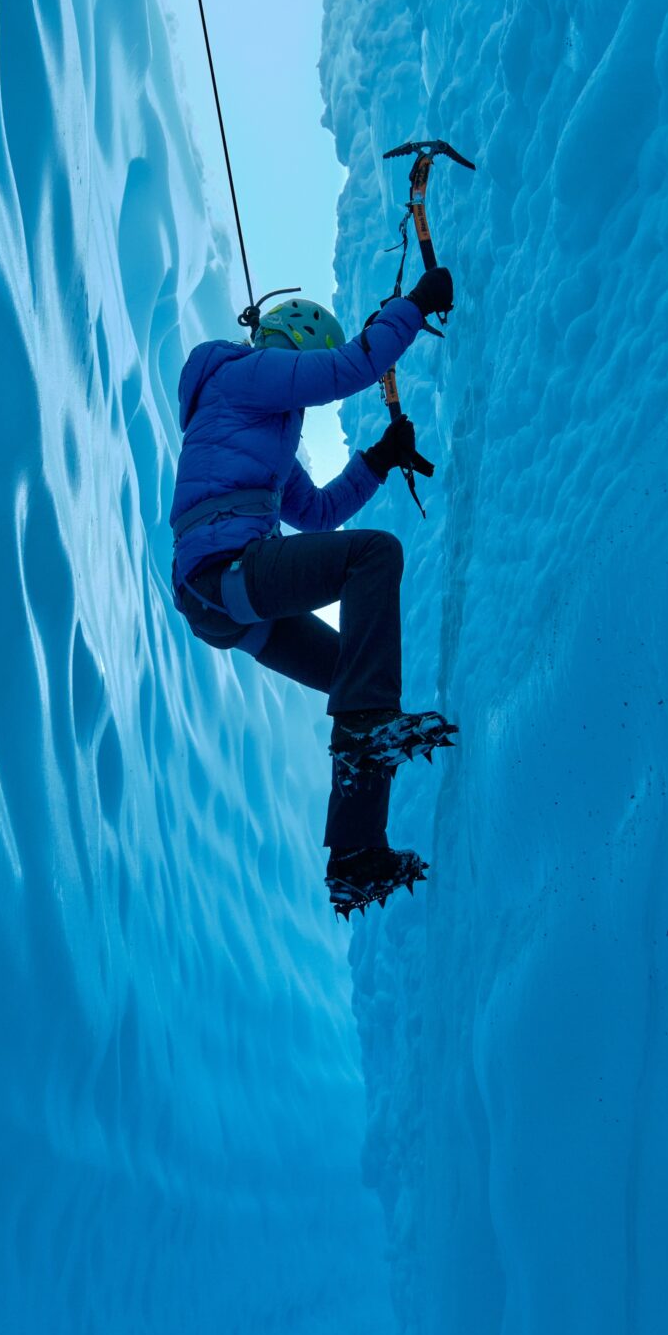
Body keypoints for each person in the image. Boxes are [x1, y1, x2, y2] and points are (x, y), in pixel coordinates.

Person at [168, 269, 458, 917]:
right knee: (375, 557)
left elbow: (317, 512)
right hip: (226, 571)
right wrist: (413, 307)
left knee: (353, 679)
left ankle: (355, 859)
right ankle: (371, 740)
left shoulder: (253, 425)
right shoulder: (244, 373)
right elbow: (345, 371)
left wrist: (378, 461)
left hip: (223, 601)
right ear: (290, 345)